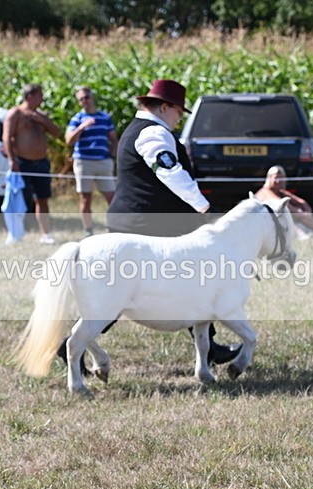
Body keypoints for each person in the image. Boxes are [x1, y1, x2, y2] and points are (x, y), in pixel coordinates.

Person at [107, 78, 241, 365]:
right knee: (193, 280)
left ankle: (209, 346)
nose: (179, 119)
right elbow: (170, 172)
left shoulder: (138, 129)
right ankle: (209, 347)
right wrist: (204, 207)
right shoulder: (153, 133)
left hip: (136, 221)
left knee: (179, 283)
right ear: (164, 107)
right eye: (179, 112)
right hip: (148, 225)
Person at [3, 83, 62, 244]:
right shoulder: (16, 113)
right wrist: (12, 160)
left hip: (41, 163)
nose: (42, 99)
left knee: (42, 199)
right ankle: (16, 233)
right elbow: (7, 137)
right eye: (39, 96)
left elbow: (57, 133)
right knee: (19, 199)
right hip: (22, 163)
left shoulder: (41, 115)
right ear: (29, 97)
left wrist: (42, 120)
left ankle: (45, 234)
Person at [65, 86, 118, 237]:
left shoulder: (105, 118)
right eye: (81, 99)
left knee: (111, 197)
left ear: (92, 97)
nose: (84, 101)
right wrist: (82, 127)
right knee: (86, 198)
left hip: (103, 161)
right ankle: (88, 230)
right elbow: (69, 140)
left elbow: (114, 139)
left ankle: (115, 227)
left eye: (86, 97)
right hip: (84, 162)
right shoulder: (77, 119)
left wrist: (112, 156)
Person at [256, 165, 313, 238]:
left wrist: (307, 210)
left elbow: (301, 201)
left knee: (295, 215)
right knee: (286, 216)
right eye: (276, 178)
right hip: (263, 224)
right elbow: (282, 204)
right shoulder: (265, 191)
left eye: (280, 178)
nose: (278, 181)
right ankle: (307, 233)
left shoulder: (280, 191)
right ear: (269, 178)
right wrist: (300, 213)